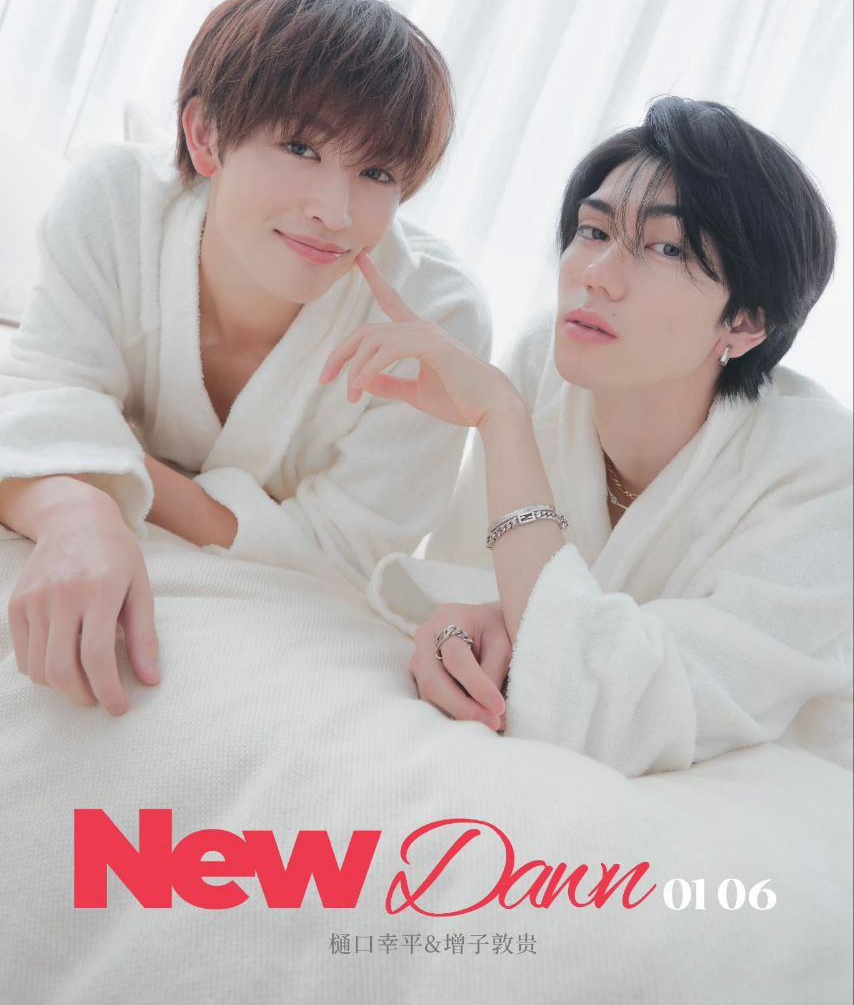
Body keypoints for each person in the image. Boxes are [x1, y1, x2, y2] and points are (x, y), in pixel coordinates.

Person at [0, 0, 490, 718]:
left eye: (376, 172)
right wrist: (75, 511)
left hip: (287, 632)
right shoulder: (116, 201)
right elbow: (41, 393)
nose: (334, 211)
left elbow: (348, 555)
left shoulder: (436, 317)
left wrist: (104, 471)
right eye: (300, 147)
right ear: (204, 136)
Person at [321, 96, 853, 777]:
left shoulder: (824, 474)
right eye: (594, 230)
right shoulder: (546, 367)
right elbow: (480, 584)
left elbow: (622, 715)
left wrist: (502, 420)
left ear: (747, 322)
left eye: (666, 248)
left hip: (786, 786)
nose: (596, 275)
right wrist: (468, 626)